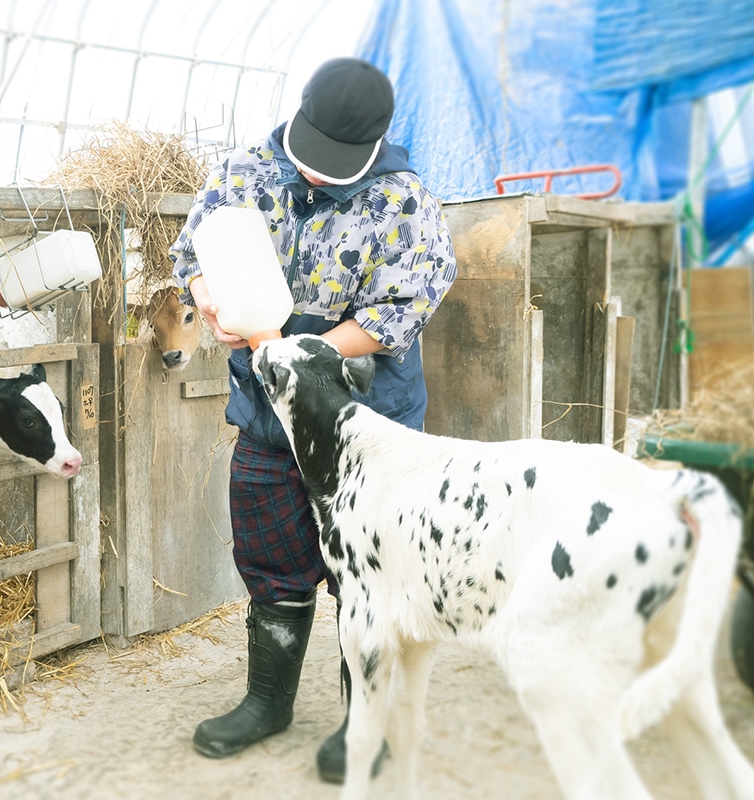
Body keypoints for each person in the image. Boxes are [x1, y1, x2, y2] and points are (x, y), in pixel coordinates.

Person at [169, 57, 458, 783]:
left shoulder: (404, 199)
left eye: (340, 166)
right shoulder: (245, 171)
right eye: (314, 159)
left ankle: (367, 718)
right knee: (273, 555)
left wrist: (306, 352)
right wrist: (212, 302)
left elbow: (404, 308)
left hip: (368, 421)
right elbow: (192, 251)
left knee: (369, 573)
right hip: (268, 415)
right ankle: (267, 700)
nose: (323, 176)